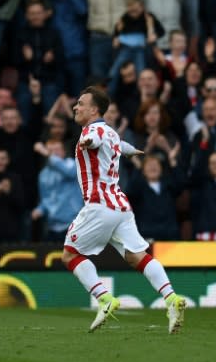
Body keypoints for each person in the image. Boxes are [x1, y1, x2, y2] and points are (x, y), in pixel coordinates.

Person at [62, 86, 186, 334]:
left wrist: (87, 141)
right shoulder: (111, 133)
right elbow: (121, 145)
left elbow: (94, 139)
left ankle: (105, 299)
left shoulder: (93, 131)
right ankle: (172, 299)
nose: (76, 107)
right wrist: (133, 151)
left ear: (94, 109)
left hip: (99, 206)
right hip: (120, 205)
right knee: (136, 256)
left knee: (69, 255)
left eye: (81, 103)